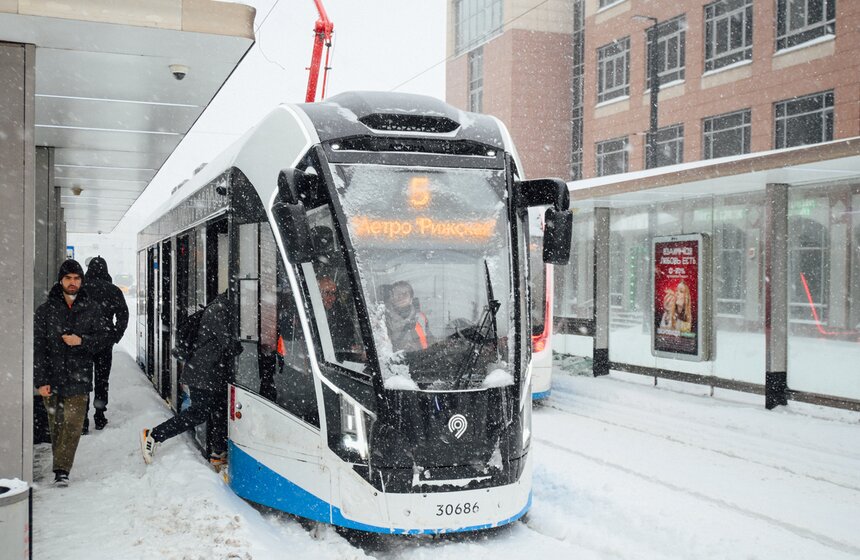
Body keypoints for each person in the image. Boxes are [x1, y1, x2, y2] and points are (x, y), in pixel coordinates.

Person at [34, 259, 111, 486]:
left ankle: (61, 470)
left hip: (79, 377)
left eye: (77, 278)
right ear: (61, 281)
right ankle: (61, 464)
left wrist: (82, 340)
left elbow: (103, 339)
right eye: (68, 278)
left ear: (82, 280)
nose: (73, 282)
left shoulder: (92, 308)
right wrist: (40, 380)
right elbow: (38, 347)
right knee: (56, 425)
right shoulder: (46, 310)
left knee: (74, 424)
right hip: (52, 376)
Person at [141, 291, 240, 466]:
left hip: (211, 373)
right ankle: (154, 435)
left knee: (219, 410)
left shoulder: (219, 307)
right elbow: (230, 345)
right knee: (199, 412)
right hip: (204, 373)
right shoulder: (219, 311)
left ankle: (218, 453)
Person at [82, 256, 129, 431]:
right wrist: (115, 335)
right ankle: (99, 415)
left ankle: (83, 419)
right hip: (104, 342)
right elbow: (123, 315)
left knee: (84, 380)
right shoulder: (113, 290)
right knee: (102, 379)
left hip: (83, 342)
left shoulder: (82, 289)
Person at [319, 276, 361, 355]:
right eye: (326, 293)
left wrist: (353, 348)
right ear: (317, 295)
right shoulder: (309, 316)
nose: (332, 298)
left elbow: (348, 335)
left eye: (333, 294)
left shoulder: (340, 314)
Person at [385, 280, 430, 352]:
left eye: (405, 293)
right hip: (396, 361)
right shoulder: (386, 320)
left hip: (423, 358)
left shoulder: (421, 317)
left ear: (411, 298)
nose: (401, 297)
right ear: (391, 298)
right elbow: (383, 347)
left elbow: (429, 338)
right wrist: (400, 347)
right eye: (397, 294)